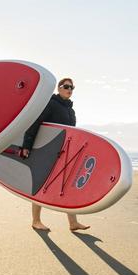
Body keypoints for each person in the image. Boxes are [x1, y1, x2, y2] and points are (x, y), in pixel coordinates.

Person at [19, 78, 90, 232]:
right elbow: (36, 123)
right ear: (59, 88)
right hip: (48, 150)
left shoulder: (71, 110)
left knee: (67, 185)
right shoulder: (51, 104)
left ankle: (73, 222)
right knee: (42, 183)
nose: (69, 89)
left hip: (64, 152)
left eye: (72, 87)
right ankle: (36, 221)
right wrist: (27, 146)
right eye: (66, 86)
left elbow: (71, 134)